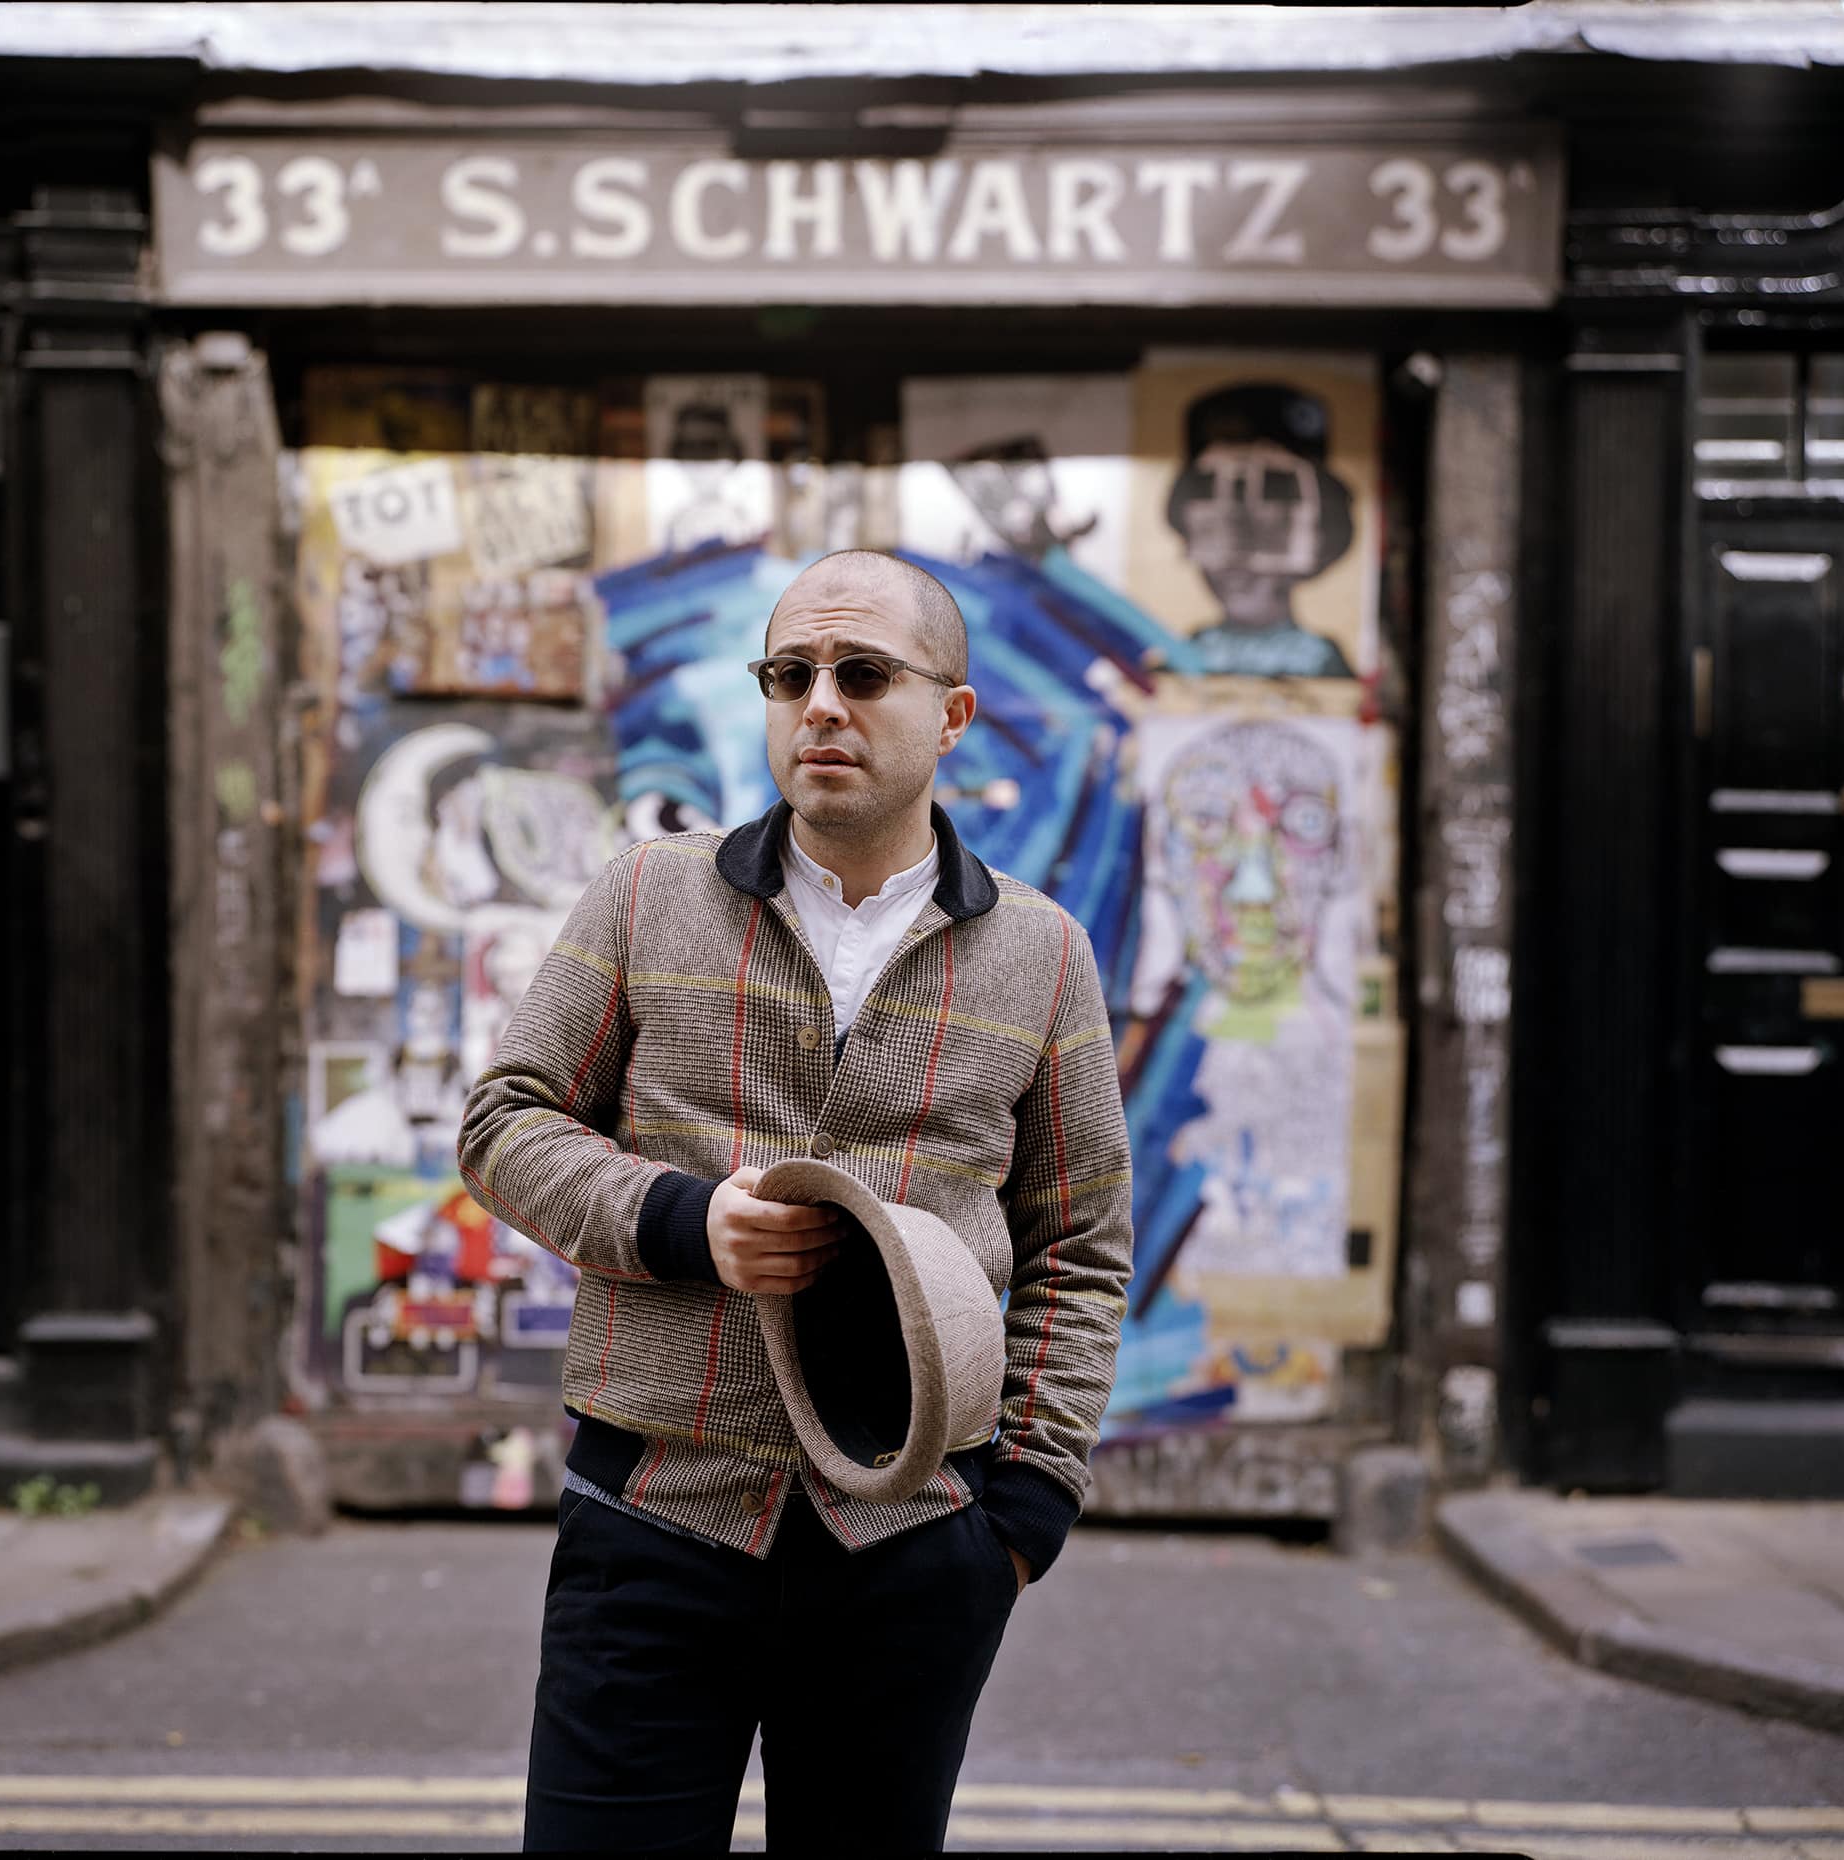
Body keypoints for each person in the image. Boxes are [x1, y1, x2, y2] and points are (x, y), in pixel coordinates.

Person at [458, 549, 1134, 1853]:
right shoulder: (648, 892)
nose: (820, 703)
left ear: (951, 714)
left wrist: (1022, 1515)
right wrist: (682, 1221)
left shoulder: (1043, 952)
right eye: (789, 674)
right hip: (650, 1518)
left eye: (863, 674)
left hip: (914, 1546)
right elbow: (505, 1123)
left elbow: (1080, 1244)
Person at [1164, 382, 1359, 678]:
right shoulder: (1188, 656)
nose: (1240, 550)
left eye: (1273, 491)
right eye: (1211, 490)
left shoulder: (1318, 660)